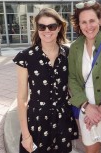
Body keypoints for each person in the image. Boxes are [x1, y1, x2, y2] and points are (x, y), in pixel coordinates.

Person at [13, 8, 78, 153]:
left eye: (52, 26)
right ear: (37, 28)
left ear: (59, 27)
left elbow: (73, 85)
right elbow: (22, 98)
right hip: (37, 122)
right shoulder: (26, 57)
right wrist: (25, 135)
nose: (47, 30)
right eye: (42, 26)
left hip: (62, 120)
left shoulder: (67, 54)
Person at [68, 0, 101, 153]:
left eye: (92, 20)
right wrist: (86, 107)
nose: (88, 26)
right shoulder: (75, 47)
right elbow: (72, 79)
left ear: (100, 20)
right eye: (83, 22)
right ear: (78, 24)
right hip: (86, 112)